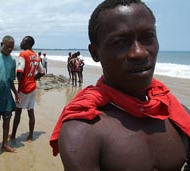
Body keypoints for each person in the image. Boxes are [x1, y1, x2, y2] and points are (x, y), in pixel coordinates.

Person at [50, 0, 190, 170]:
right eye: (120, 42)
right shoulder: (84, 130)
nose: (139, 53)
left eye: (147, 37)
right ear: (95, 53)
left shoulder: (178, 114)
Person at [10, 36, 45, 141]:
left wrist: (17, 78)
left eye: (23, 42)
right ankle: (30, 136)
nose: (21, 43)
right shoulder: (36, 56)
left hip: (24, 88)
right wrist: (33, 79)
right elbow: (42, 72)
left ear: (28, 44)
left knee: (18, 111)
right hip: (33, 87)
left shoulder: (23, 54)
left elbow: (20, 71)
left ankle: (13, 135)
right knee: (31, 111)